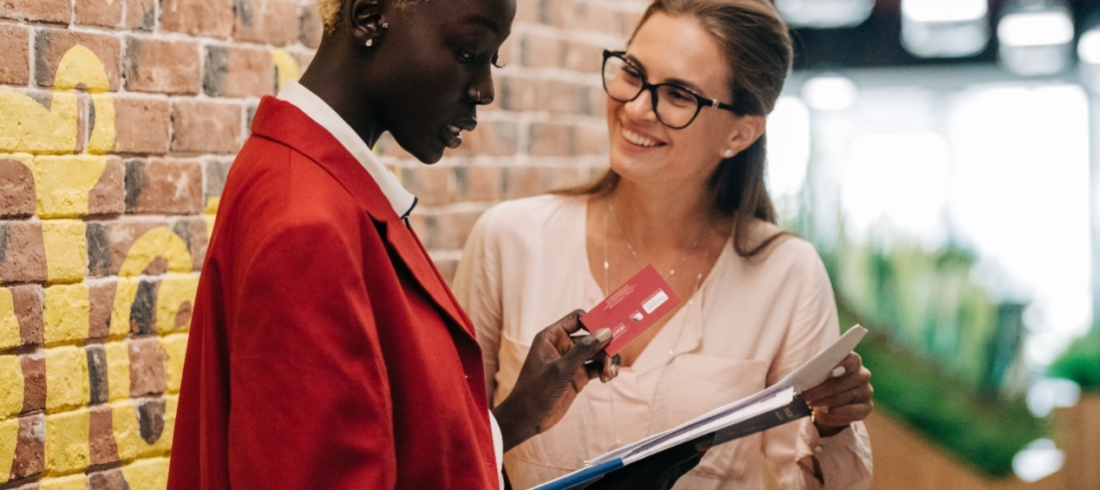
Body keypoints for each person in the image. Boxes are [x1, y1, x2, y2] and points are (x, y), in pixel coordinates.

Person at [164, 0, 635, 488]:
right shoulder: (308, 223)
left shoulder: (303, 176)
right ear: (369, 17)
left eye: (491, 61)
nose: (485, 91)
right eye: (468, 52)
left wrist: (514, 418)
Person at [453, 0, 874, 488]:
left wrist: (832, 423)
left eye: (677, 95)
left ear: (741, 132)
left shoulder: (788, 275)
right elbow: (447, 449)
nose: (634, 107)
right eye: (632, 72)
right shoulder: (511, 241)